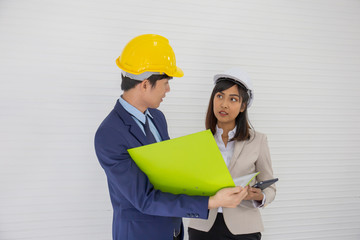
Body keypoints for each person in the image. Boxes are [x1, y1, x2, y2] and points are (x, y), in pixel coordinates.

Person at [94, 34, 248, 240]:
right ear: (145, 84)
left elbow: (166, 176)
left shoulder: (157, 118)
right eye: (165, 82)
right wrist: (212, 201)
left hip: (173, 231)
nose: (168, 89)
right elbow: (145, 199)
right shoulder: (109, 134)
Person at [188, 68, 276, 240]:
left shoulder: (258, 141)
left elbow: (270, 188)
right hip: (203, 227)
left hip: (243, 229)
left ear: (243, 106)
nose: (224, 104)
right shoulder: (198, 142)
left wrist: (260, 196)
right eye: (219, 96)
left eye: (233, 99)